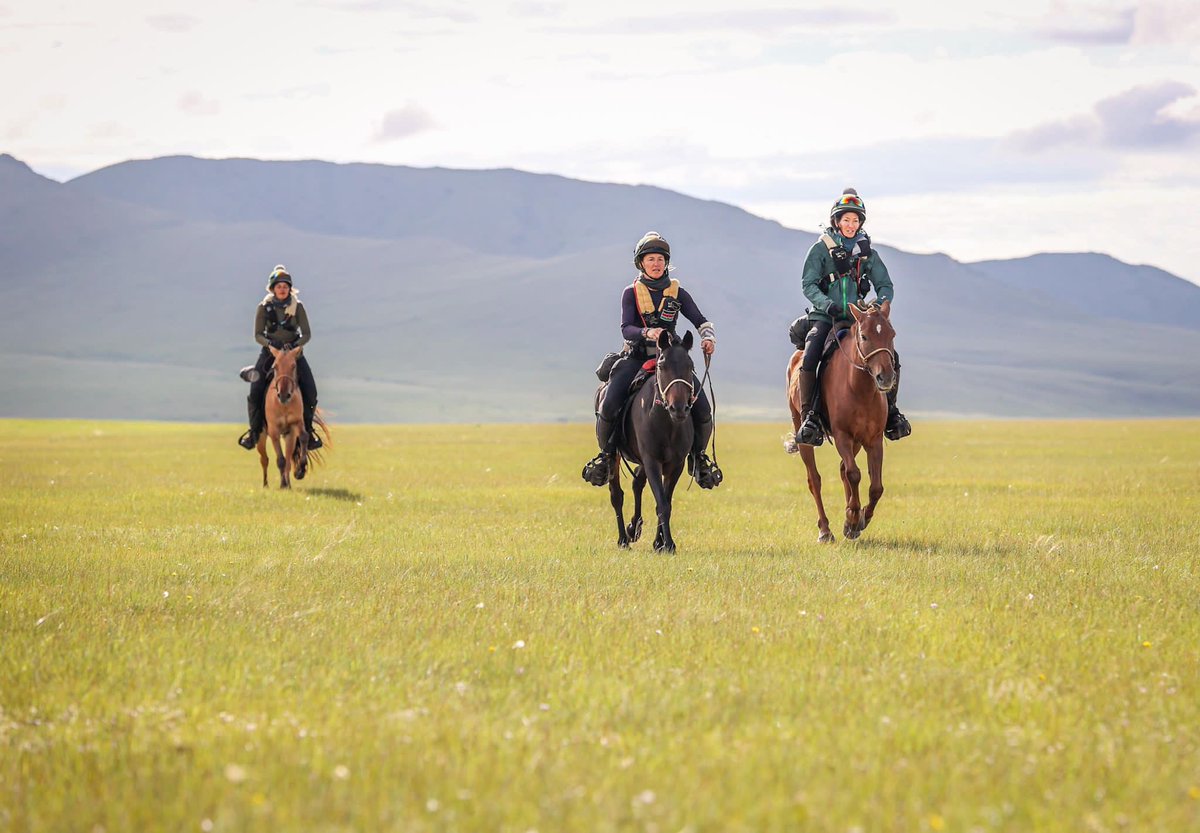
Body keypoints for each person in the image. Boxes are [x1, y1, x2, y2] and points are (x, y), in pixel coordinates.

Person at [582, 232, 722, 488]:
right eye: (650, 259)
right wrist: (647, 332)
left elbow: (700, 320)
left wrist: (708, 337)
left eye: (660, 259)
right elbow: (626, 328)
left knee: (703, 409)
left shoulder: (678, 292)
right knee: (610, 401)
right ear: (641, 263)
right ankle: (605, 456)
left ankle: (699, 458)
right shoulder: (630, 293)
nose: (656, 264)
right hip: (636, 356)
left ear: (666, 262)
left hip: (671, 361)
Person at [791, 188, 911, 446]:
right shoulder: (820, 250)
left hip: (858, 319)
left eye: (855, 220)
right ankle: (809, 418)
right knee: (810, 357)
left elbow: (885, 286)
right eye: (846, 220)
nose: (851, 225)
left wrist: (876, 309)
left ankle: (891, 414)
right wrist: (827, 304)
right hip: (826, 316)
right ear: (837, 221)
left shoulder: (867, 253)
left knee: (891, 356)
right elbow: (808, 284)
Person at [237, 265, 322, 450]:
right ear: (273, 288)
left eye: (285, 286)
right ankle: (254, 432)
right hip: (270, 354)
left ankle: (308, 431)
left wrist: (295, 347)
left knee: (311, 391)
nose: (282, 289)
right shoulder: (264, 308)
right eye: (279, 286)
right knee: (255, 391)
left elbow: (307, 334)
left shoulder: (298, 307)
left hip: (294, 355)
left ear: (290, 289)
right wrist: (270, 345)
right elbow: (258, 334)